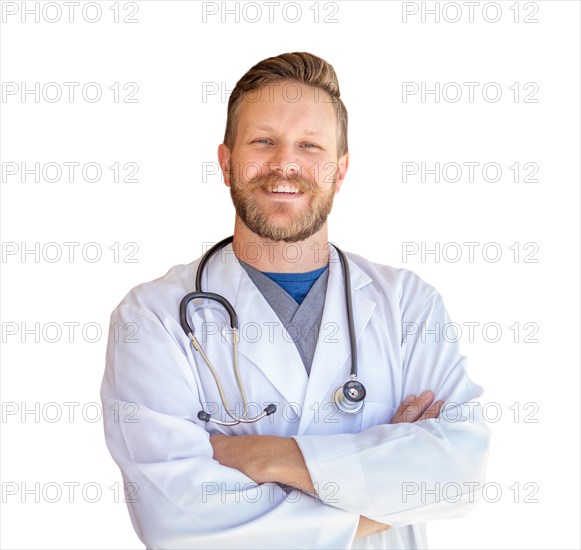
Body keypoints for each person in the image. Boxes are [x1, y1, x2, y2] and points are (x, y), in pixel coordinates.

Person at [101, 52, 490, 549]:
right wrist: (384, 489)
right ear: (226, 162)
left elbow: (460, 471)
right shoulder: (151, 318)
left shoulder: (408, 304)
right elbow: (178, 523)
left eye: (309, 145)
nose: (285, 164)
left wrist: (268, 455)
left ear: (340, 169)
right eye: (263, 141)